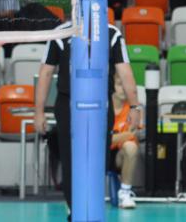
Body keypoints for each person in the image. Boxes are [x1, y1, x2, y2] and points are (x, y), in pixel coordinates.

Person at [34, 21, 140, 220]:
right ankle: (75, 211)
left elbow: (125, 71)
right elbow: (46, 72)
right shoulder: (61, 33)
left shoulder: (111, 33)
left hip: (100, 103)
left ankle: (91, 210)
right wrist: (38, 112)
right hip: (68, 103)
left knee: (99, 160)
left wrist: (135, 106)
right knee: (70, 159)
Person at [110, 72, 140, 209]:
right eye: (119, 85)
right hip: (99, 154)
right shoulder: (103, 106)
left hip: (118, 155)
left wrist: (113, 138)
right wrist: (123, 135)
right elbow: (101, 140)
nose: (123, 89)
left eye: (126, 85)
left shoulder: (133, 110)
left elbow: (131, 136)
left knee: (131, 147)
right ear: (112, 86)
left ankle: (125, 193)